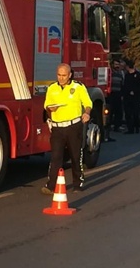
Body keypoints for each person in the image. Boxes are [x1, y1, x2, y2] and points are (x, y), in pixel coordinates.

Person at [42, 63, 92, 194]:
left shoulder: (78, 87)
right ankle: (50, 185)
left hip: (73, 126)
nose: (61, 78)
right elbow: (46, 105)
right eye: (59, 75)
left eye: (64, 75)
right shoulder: (52, 88)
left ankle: (77, 184)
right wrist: (49, 109)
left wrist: (86, 113)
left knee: (75, 155)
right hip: (57, 127)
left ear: (70, 75)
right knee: (56, 156)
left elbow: (87, 103)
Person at [122, 59, 140, 134]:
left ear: (128, 67)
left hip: (136, 97)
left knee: (135, 113)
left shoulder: (138, 75)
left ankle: (137, 127)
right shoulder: (126, 75)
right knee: (128, 113)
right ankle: (130, 129)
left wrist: (135, 91)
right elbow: (124, 86)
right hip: (127, 97)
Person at [109, 58, 125, 132]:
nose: (117, 66)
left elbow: (123, 84)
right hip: (111, 94)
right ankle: (109, 125)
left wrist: (122, 94)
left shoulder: (121, 73)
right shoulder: (110, 72)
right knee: (110, 111)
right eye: (115, 64)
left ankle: (117, 126)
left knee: (118, 111)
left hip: (118, 94)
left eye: (118, 65)